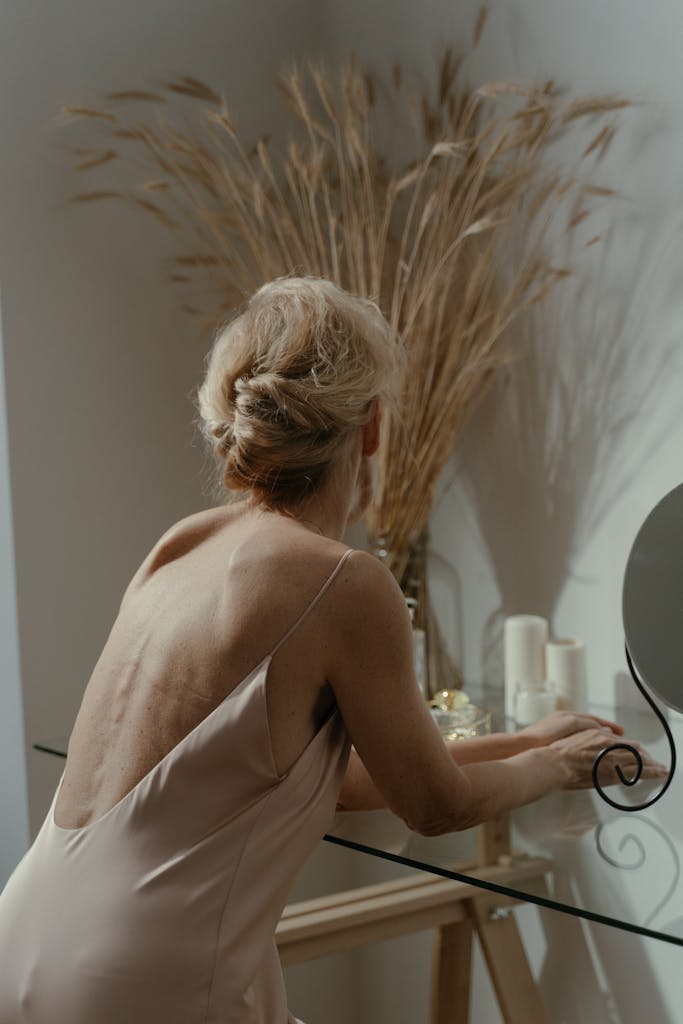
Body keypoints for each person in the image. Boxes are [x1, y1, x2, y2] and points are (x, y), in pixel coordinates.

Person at [0, 275, 666, 1023]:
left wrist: (524, 739)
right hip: (145, 976)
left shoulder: (180, 544)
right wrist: (553, 766)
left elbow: (335, 778)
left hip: (27, 932)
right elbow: (433, 806)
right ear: (373, 426)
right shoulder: (346, 582)